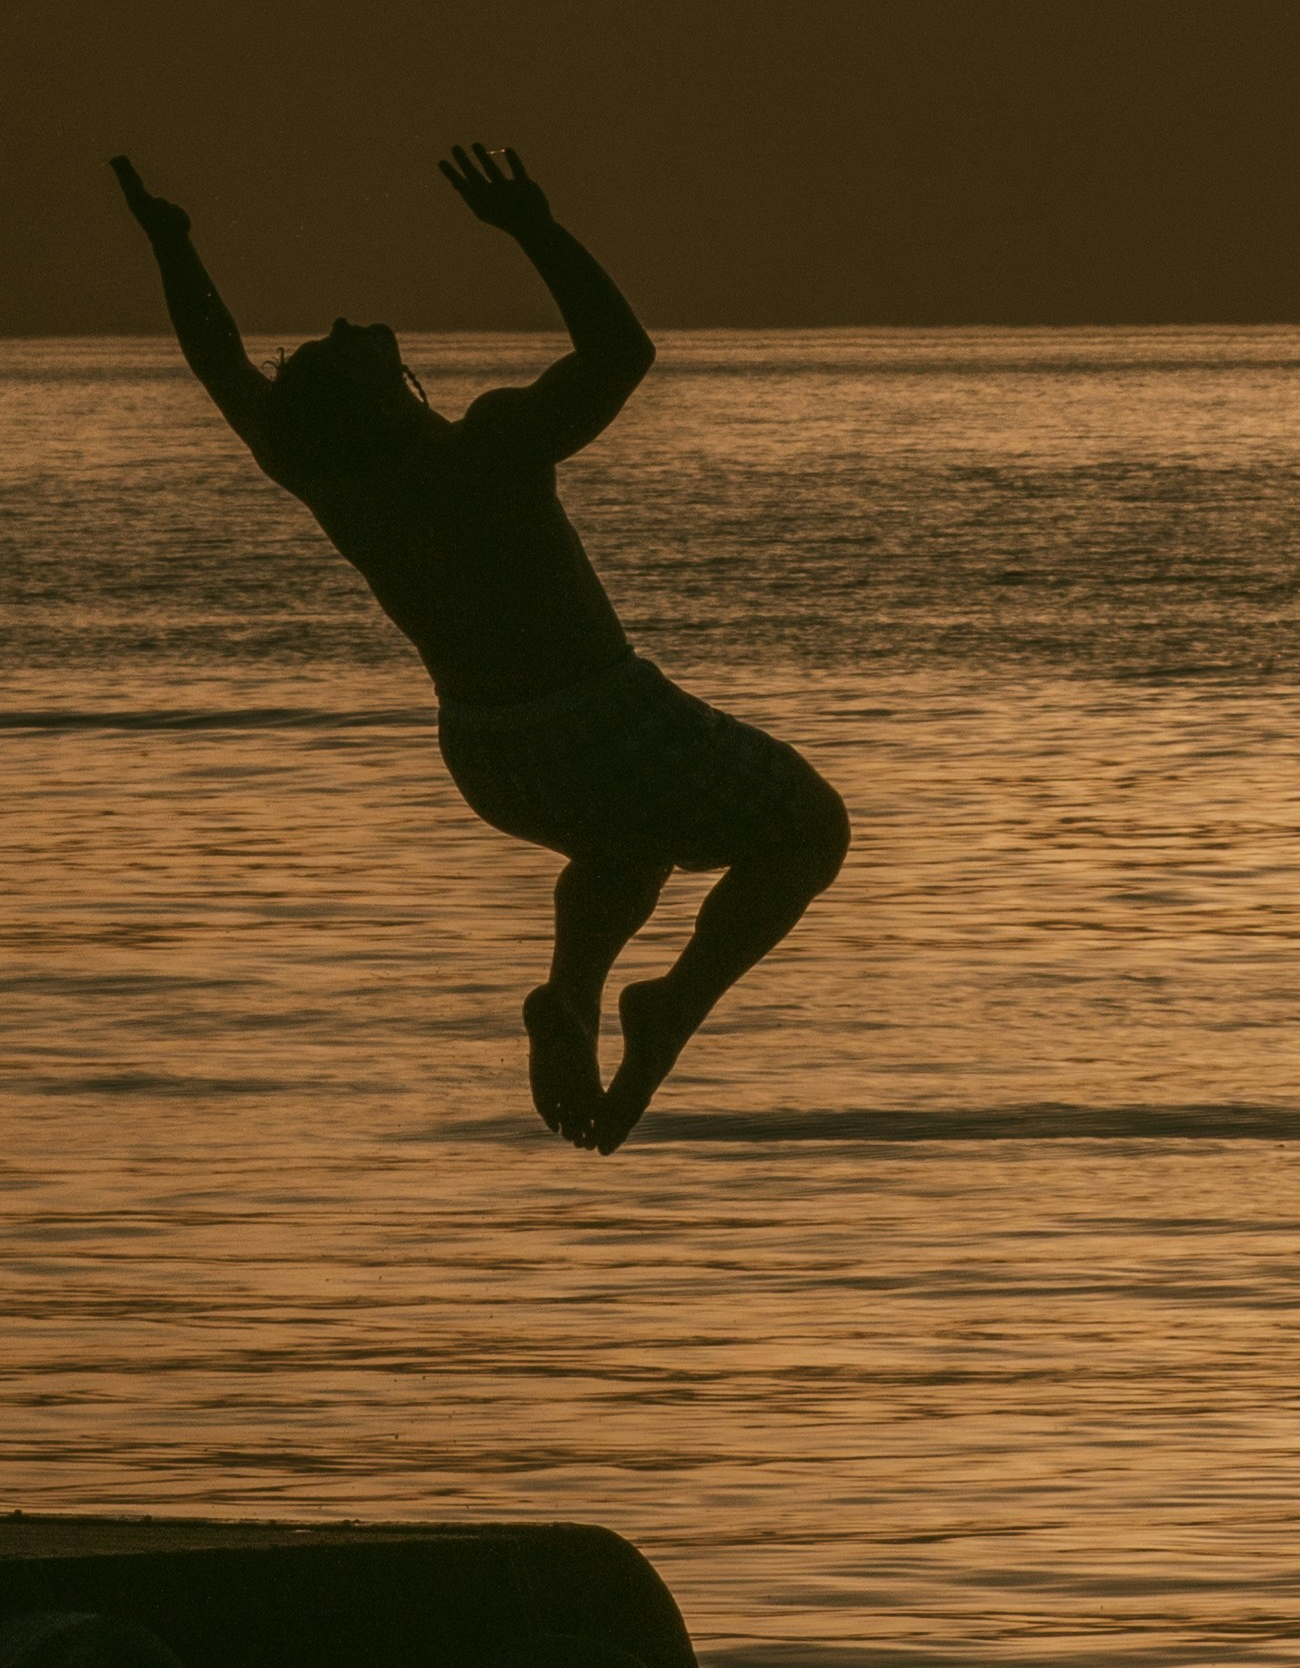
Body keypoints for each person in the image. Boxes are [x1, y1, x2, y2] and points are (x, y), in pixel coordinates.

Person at [110, 142, 849, 1148]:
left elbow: (215, 360)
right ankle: (671, 1003)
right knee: (810, 828)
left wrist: (171, 247)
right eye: (332, 348)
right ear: (377, 396)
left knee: (625, 843)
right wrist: (535, 231)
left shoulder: (326, 476)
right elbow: (621, 354)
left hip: (490, 756)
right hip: (599, 714)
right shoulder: (490, 451)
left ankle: (571, 1001)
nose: (335, 325)